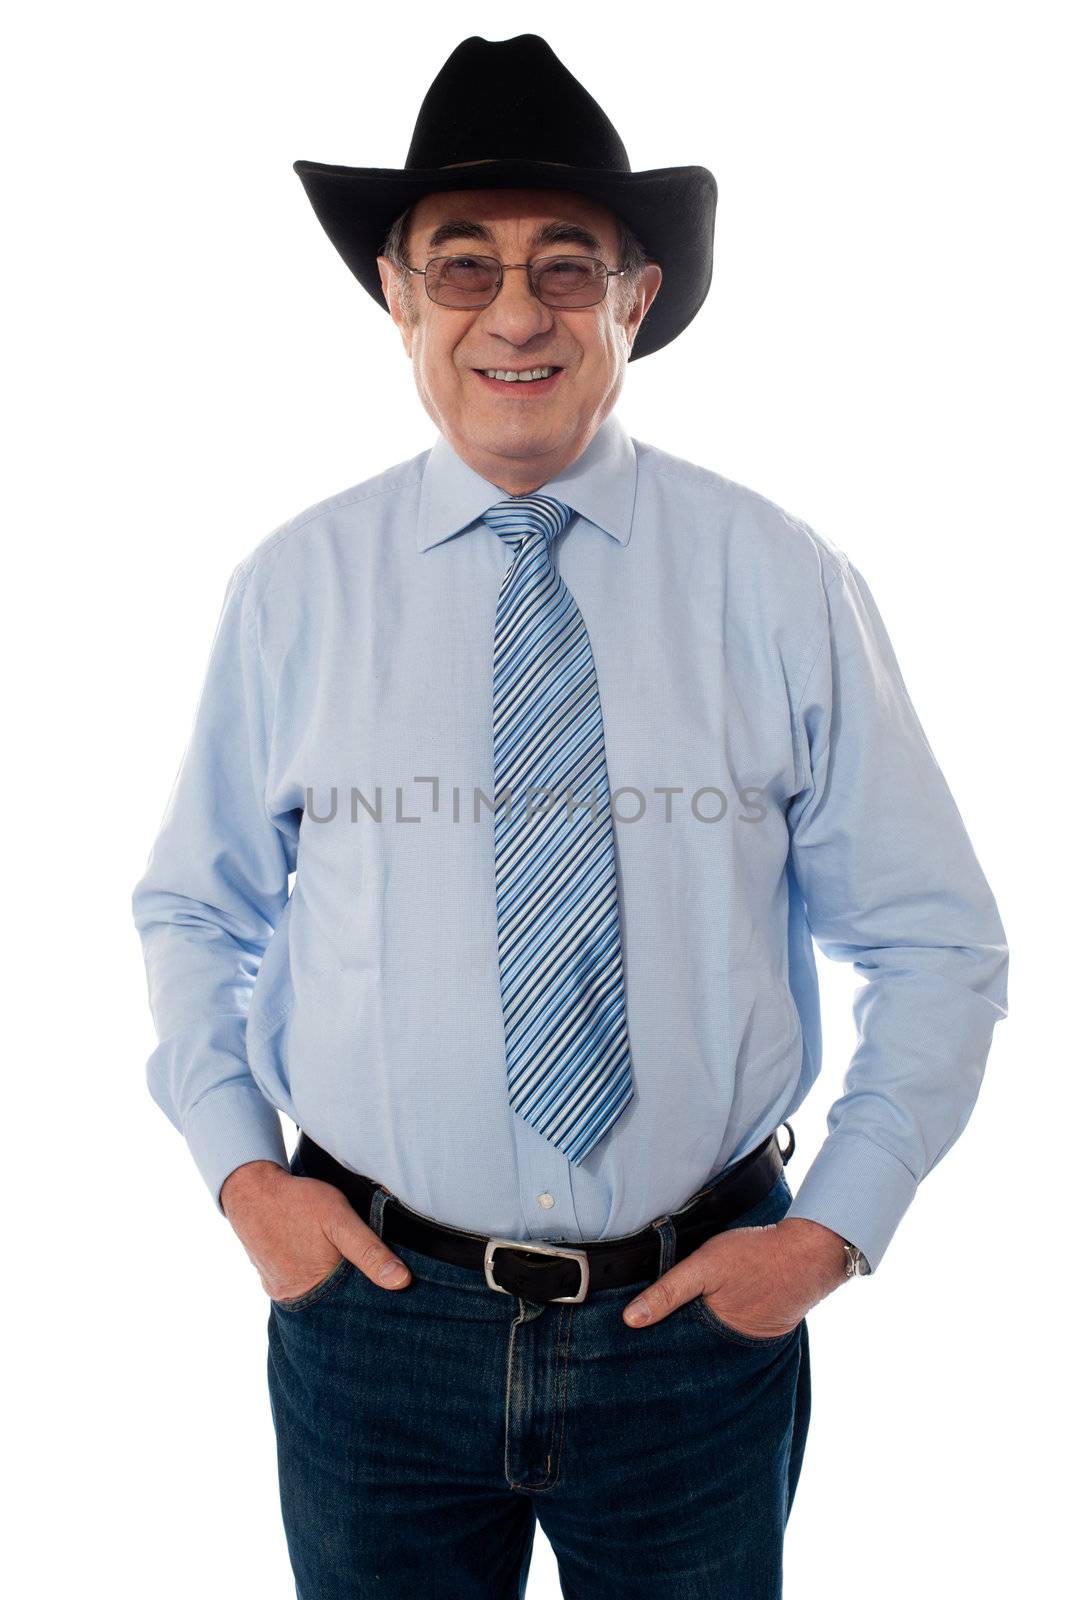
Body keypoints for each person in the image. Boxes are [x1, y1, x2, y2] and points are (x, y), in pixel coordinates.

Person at [131, 32, 1009, 1600]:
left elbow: (935, 939)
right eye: (460, 267)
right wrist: (240, 1176)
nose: (514, 312)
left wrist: (831, 1231)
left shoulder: (777, 579)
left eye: (565, 265)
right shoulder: (294, 591)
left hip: (693, 1327)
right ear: (398, 298)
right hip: (374, 1325)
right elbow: (196, 908)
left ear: (636, 300)